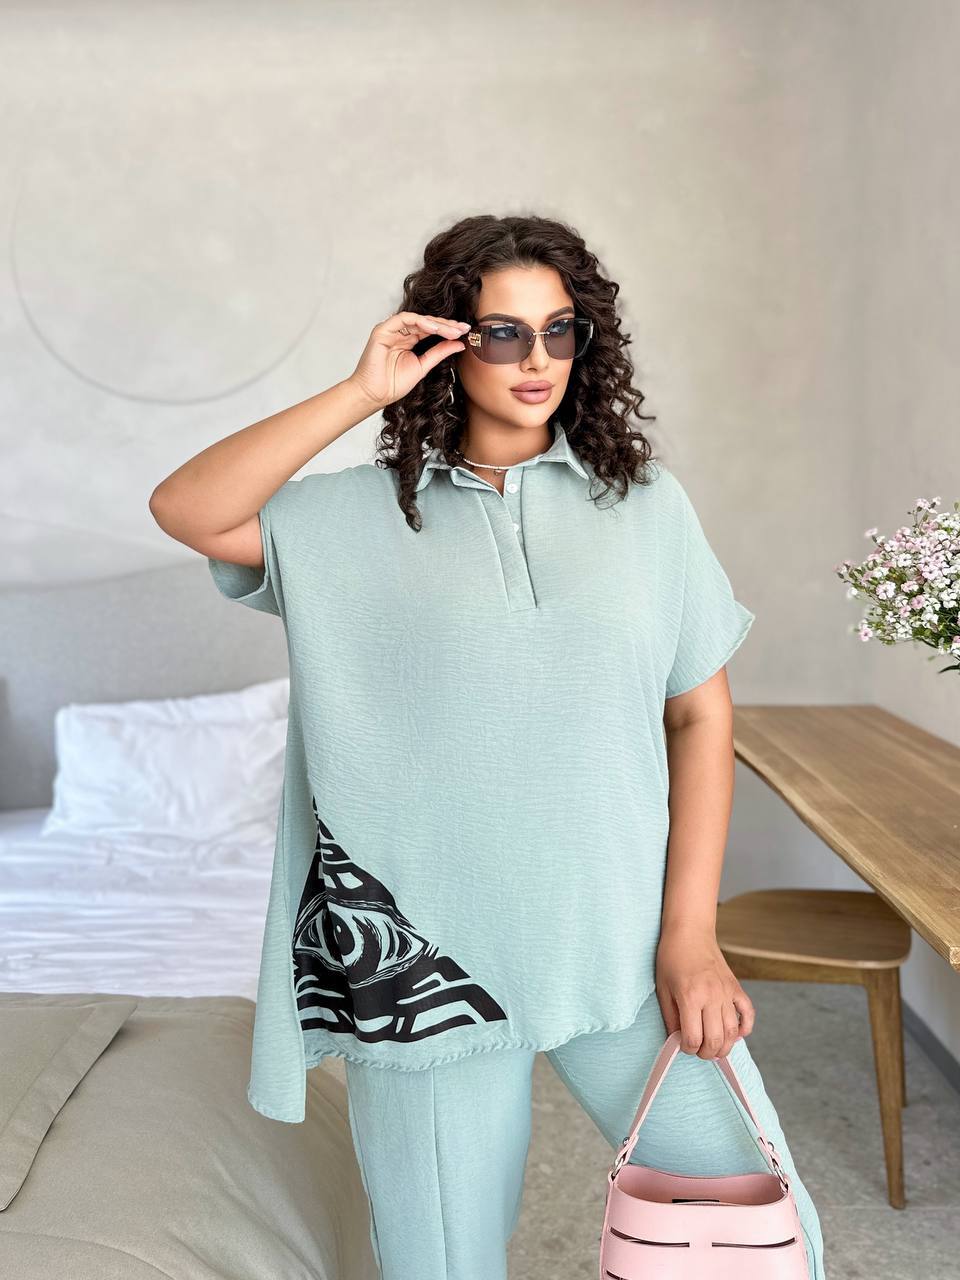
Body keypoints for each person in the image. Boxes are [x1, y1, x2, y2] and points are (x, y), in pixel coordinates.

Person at [149, 213, 826, 1279]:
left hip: (620, 936)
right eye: (503, 334)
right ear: (447, 343)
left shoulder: (646, 508)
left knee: (759, 1243)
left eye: (560, 331)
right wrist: (362, 390)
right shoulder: (349, 519)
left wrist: (691, 934)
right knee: (442, 1265)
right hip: (428, 963)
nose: (537, 360)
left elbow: (699, 715)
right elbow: (187, 507)